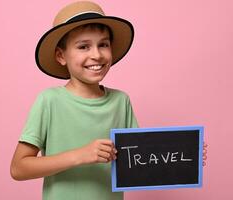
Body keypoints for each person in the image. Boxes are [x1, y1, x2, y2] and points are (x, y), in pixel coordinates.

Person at [10, 1, 137, 200]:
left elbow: (139, 159)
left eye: (103, 44)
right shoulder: (49, 101)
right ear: (61, 55)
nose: (96, 54)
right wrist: (80, 155)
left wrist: (185, 156)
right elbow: (18, 168)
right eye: (84, 46)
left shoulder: (121, 101)